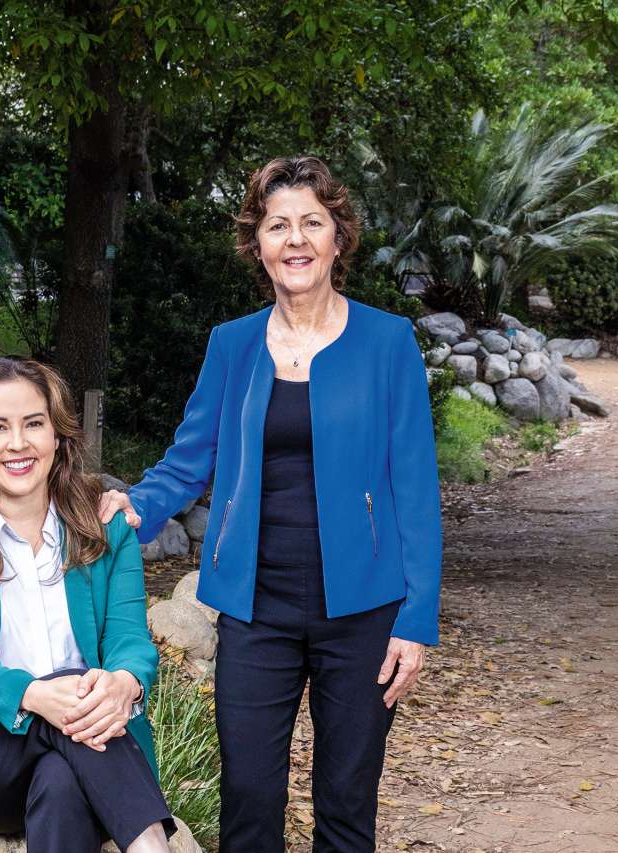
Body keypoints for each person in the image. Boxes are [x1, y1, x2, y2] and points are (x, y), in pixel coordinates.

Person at [100, 155, 442, 852]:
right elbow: (190, 459)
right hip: (256, 606)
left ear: (337, 238)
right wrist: (135, 507)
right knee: (250, 803)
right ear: (257, 243)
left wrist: (417, 618)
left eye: (312, 223)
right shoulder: (232, 346)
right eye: (278, 224)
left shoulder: (387, 342)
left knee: (346, 806)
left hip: (365, 610)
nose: (296, 239)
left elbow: (415, 485)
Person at [0, 358, 176, 853]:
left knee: (61, 782)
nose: (18, 444)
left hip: (87, 738)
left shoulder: (108, 527)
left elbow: (129, 640)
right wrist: (33, 694)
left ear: (58, 436)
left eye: (34, 424)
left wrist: (124, 683)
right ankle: (151, 844)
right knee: (64, 701)